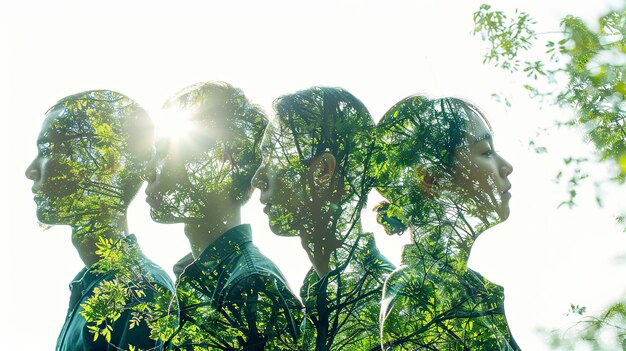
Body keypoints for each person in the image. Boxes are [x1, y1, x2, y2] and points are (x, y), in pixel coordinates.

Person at [145, 82, 303, 350]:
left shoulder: (251, 284)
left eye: (162, 153)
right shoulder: (195, 277)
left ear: (219, 164)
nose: (148, 172)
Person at [25, 90, 178, 351]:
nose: (30, 170)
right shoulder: (90, 284)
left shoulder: (141, 291)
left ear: (107, 163)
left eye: (49, 150)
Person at [252, 86, 395, 351]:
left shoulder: (388, 302)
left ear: (323, 170)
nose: (257, 179)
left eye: (273, 156)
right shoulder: (316, 292)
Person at [375, 96, 521, 350]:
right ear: (431, 179)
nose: (506, 166)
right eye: (486, 151)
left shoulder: (470, 286)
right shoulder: (416, 289)